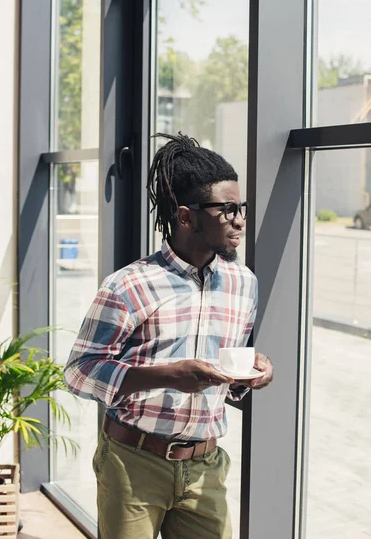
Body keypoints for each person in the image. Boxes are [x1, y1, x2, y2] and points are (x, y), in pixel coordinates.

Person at [64, 132, 274, 539]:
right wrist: (166, 374)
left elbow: (228, 380)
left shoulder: (243, 284)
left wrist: (251, 375)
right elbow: (78, 371)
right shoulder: (128, 286)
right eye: (227, 210)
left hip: (205, 467)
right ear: (185, 217)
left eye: (241, 208)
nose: (240, 220)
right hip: (132, 464)